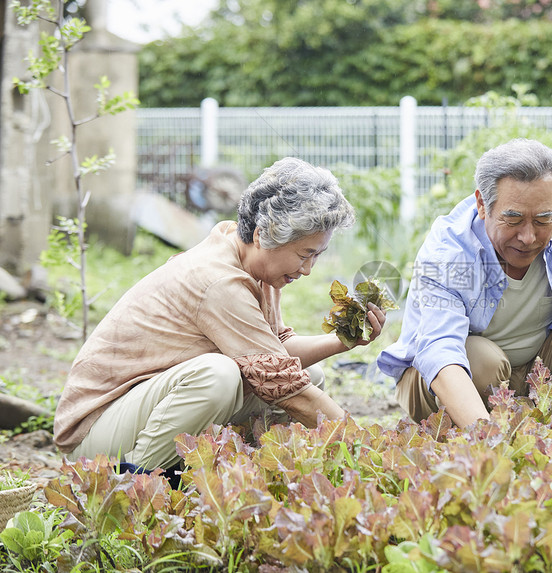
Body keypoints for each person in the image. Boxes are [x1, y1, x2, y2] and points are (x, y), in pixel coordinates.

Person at [53, 157, 387, 471]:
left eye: (317, 256)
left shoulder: (252, 262)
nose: (309, 269)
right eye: (305, 254)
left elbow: (277, 352)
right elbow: (284, 384)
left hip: (141, 409)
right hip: (94, 433)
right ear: (263, 236)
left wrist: (344, 340)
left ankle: (229, 473)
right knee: (220, 377)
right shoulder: (218, 281)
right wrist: (370, 450)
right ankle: (132, 484)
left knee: (310, 377)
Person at [376, 138, 552, 438]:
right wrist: (493, 446)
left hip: (537, 367)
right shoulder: (449, 253)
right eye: (513, 219)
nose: (528, 236)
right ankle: (484, 438)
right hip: (447, 380)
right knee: (481, 359)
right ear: (482, 205)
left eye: (543, 220)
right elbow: (441, 358)